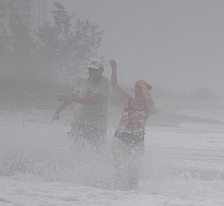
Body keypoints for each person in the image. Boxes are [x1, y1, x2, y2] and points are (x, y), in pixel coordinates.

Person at [110, 58, 154, 190]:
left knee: (134, 171)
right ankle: (116, 189)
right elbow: (114, 85)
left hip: (137, 141)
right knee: (120, 164)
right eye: (144, 89)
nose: (147, 92)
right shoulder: (127, 100)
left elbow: (148, 98)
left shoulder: (148, 106)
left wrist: (142, 85)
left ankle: (132, 193)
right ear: (137, 91)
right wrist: (114, 69)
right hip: (120, 138)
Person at [52, 59, 111, 150]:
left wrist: (70, 98)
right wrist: (58, 111)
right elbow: (73, 97)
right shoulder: (82, 81)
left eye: (94, 70)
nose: (92, 72)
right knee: (74, 150)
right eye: (90, 69)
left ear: (102, 70)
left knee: (96, 153)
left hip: (96, 126)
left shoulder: (105, 83)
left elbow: (92, 100)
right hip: (78, 123)